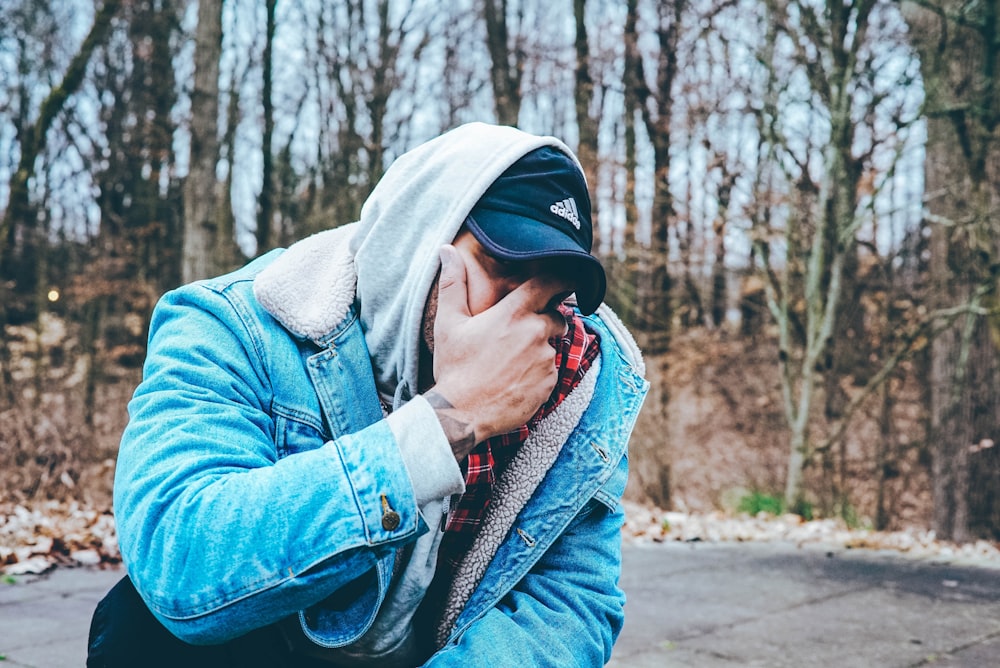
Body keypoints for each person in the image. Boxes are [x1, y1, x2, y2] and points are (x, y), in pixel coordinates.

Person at [87, 122, 648, 667]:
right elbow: (180, 560)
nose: (520, 327)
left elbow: (570, 605)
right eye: (502, 269)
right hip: (269, 643)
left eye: (549, 297)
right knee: (136, 628)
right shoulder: (232, 325)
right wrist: (450, 420)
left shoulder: (577, 377)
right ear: (415, 243)